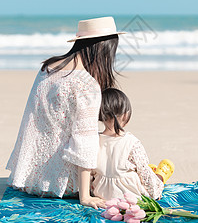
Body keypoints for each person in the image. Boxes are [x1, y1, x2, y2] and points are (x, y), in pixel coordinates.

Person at [6, 16, 126, 210]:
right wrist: (85, 196)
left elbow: (33, 119)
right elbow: (84, 143)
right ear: (104, 48)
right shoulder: (86, 84)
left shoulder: (48, 68)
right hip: (63, 183)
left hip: (29, 177)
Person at [91, 88, 174, 201]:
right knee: (148, 173)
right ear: (126, 115)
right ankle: (160, 175)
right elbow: (144, 173)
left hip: (101, 193)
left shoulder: (93, 140)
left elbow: (90, 171)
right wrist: (155, 192)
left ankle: (155, 172)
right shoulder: (131, 142)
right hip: (129, 195)